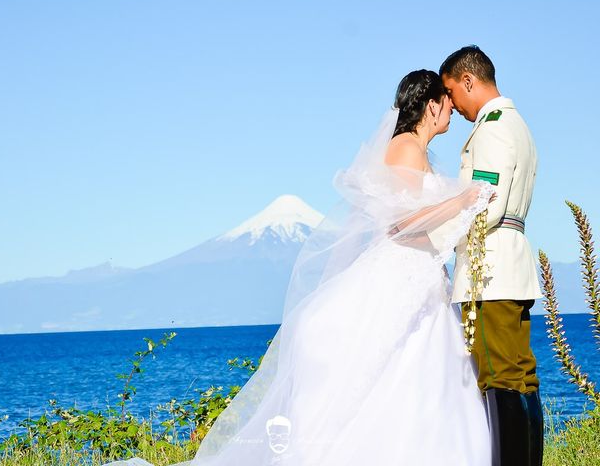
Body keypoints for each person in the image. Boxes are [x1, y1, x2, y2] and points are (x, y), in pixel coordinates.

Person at [106, 70, 494, 466]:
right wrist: (463, 202)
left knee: (419, 378)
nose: (452, 107)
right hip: (402, 278)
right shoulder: (406, 148)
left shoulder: (418, 151)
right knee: (393, 376)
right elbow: (402, 224)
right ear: (430, 104)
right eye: (446, 98)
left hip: (422, 280)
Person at [440, 46, 543, 466]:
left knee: (498, 378)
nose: (454, 105)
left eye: (452, 92)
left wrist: (443, 234)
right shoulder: (517, 124)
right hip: (511, 263)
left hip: (490, 271)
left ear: (468, 80)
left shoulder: (494, 127)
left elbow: (486, 202)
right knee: (520, 377)